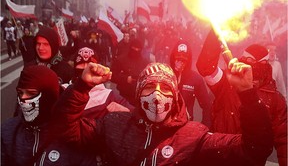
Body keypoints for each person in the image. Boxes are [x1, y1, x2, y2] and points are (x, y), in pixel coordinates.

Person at [53, 61, 273, 166]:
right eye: (149, 87)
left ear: (175, 96)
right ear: (139, 94)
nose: (157, 95)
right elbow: (65, 129)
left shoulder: (194, 137)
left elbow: (254, 150)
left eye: (165, 88)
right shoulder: (113, 125)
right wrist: (82, 88)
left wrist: (248, 95)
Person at [196, 29, 287, 166]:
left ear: (264, 64)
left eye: (252, 61)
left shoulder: (275, 99)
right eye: (246, 59)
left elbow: (284, 140)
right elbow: (206, 68)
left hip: (251, 161)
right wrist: (215, 35)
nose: (247, 64)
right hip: (220, 155)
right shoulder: (227, 83)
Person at [1, 65, 97, 166]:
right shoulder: (8, 132)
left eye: (31, 93)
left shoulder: (74, 133)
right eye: (20, 93)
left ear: (48, 95)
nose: (23, 98)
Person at [70, 46, 134, 118]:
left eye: (89, 65)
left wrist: (126, 113)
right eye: (81, 64)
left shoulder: (109, 96)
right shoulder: (64, 91)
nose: (85, 69)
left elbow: (136, 117)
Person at [170, 39, 213, 127]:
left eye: (184, 59)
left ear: (189, 60)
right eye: (178, 58)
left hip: (185, 127)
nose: (180, 62)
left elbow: (207, 105)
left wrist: (205, 127)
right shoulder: (164, 74)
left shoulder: (196, 79)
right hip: (165, 126)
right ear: (173, 57)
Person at [111, 38, 149, 106]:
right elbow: (112, 75)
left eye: (138, 49)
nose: (136, 50)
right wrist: (126, 79)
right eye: (134, 48)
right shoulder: (121, 59)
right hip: (124, 95)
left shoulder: (144, 62)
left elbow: (149, 76)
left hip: (138, 96)